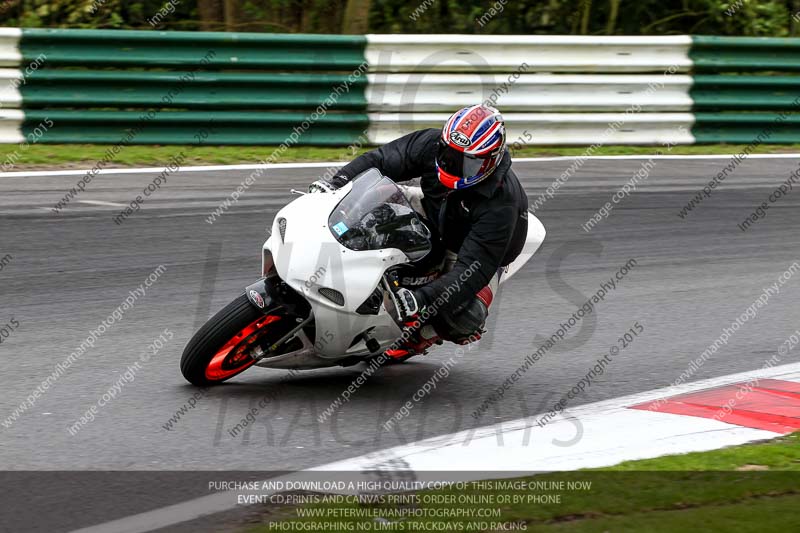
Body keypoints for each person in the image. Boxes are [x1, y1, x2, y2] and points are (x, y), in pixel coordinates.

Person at [309, 104, 529, 352]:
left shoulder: (501, 204)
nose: (453, 166)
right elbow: (382, 160)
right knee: (369, 207)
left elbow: (471, 270)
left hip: (473, 249)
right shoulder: (431, 143)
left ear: (490, 161)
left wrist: (421, 298)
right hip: (435, 208)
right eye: (449, 155)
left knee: (464, 315)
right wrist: (336, 183)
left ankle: (421, 336)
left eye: (467, 163)